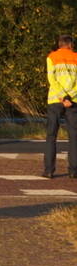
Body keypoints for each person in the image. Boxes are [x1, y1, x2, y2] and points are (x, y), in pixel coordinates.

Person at [44, 34, 77, 178]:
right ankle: (73, 171)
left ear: (59, 44)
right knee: (74, 137)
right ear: (70, 44)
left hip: (55, 100)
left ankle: (49, 170)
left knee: (51, 136)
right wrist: (69, 97)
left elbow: (52, 79)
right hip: (73, 101)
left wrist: (62, 96)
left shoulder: (51, 57)